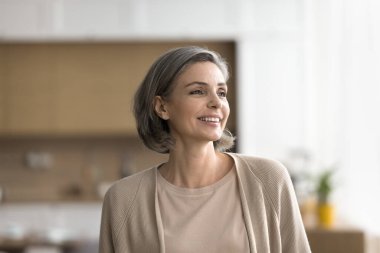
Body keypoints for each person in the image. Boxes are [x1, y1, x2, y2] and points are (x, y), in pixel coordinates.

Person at [99, 46, 311, 253]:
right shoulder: (123, 199)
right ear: (162, 107)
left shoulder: (268, 179)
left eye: (221, 92)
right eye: (198, 91)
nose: (216, 103)